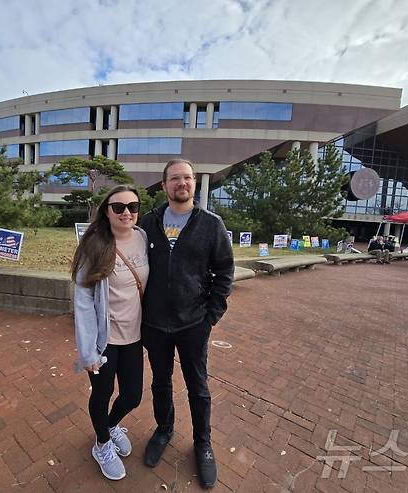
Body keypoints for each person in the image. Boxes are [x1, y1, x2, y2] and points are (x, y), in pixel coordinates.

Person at [139, 159, 234, 489]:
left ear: (194, 184)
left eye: (188, 178)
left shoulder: (211, 224)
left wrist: (211, 316)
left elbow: (224, 273)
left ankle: (202, 442)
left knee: (198, 386)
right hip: (154, 323)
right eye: (175, 178)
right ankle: (164, 429)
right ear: (164, 185)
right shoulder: (148, 224)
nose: (183, 183)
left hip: (193, 323)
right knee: (160, 382)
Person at [72, 185, 149, 481]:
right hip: (104, 340)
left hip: (134, 335)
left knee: (132, 396)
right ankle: (102, 443)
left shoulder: (142, 238)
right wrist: (87, 351)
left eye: (133, 206)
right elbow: (83, 301)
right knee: (102, 393)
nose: (126, 212)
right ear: (107, 211)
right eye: (118, 207)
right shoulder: (95, 245)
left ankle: (111, 426)